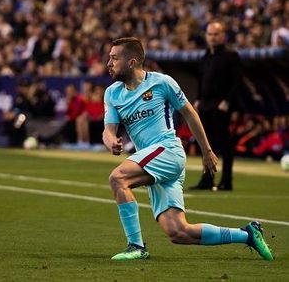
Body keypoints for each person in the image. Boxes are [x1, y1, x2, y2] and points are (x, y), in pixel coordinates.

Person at [103, 37, 272, 261]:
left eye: (114, 58)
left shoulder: (162, 83)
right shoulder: (112, 93)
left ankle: (136, 246)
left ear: (132, 61)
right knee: (179, 232)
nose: (109, 63)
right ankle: (247, 234)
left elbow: (189, 113)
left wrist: (207, 151)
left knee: (118, 178)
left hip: (167, 150)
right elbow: (108, 130)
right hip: (152, 162)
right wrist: (111, 140)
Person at [189, 21, 241, 191]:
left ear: (223, 36)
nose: (212, 37)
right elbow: (201, 81)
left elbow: (237, 82)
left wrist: (227, 101)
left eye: (216, 34)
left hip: (220, 106)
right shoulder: (205, 57)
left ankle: (227, 181)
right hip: (205, 105)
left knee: (224, 144)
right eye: (210, 34)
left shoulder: (231, 56)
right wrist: (198, 99)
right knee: (207, 145)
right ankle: (207, 180)